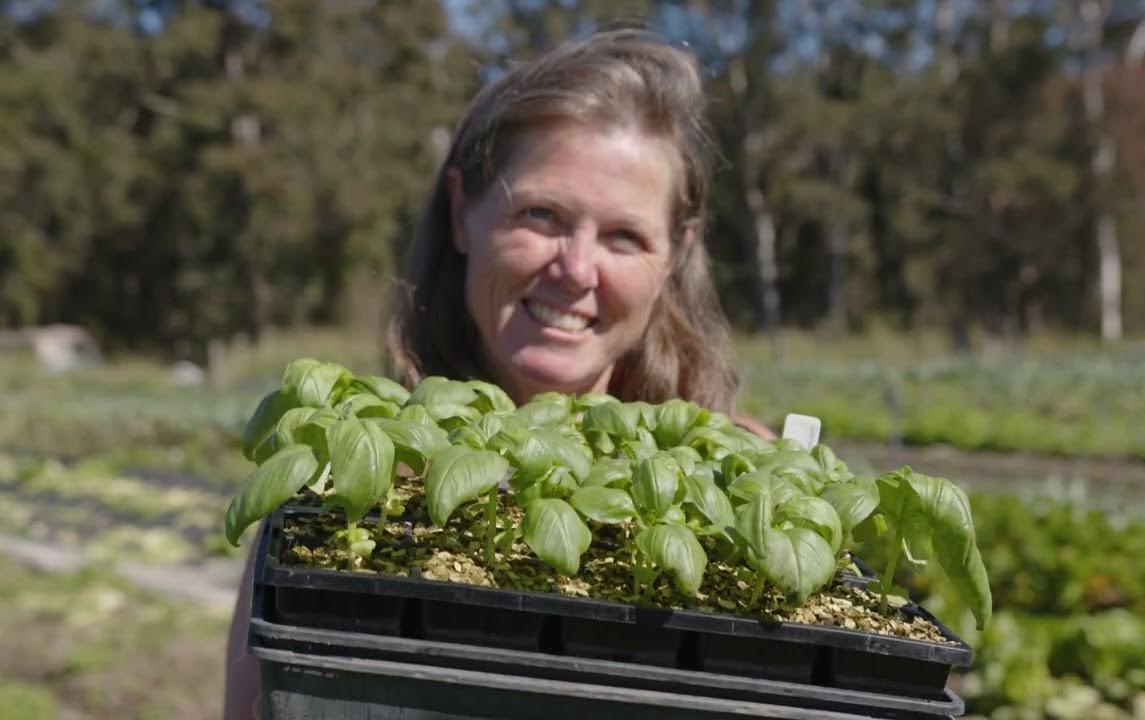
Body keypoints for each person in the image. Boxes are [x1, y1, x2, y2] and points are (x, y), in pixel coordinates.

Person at [223, 28, 773, 719]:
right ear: (462, 213)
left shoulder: (740, 484)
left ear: (675, 254)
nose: (575, 270)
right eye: (540, 214)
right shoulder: (337, 482)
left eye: (624, 236)